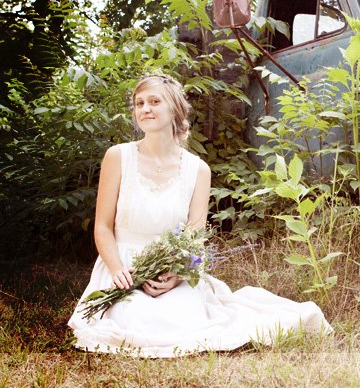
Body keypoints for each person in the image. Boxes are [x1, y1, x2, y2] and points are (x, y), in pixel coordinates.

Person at [68, 74, 331, 357]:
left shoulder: (197, 169)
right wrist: (118, 269)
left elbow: (194, 237)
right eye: (139, 103)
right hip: (124, 268)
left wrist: (177, 276)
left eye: (154, 101)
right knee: (135, 321)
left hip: (172, 267)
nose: (145, 109)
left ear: (175, 110)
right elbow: (103, 227)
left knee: (184, 320)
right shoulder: (118, 157)